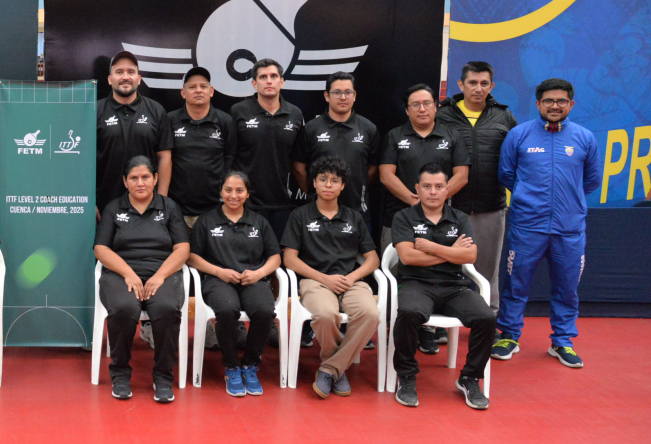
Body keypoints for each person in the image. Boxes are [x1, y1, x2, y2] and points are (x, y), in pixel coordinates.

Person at [493, 78, 601, 368]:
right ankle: (509, 336)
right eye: (549, 101)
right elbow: (506, 175)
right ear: (538, 103)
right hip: (527, 226)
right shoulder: (518, 135)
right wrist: (530, 197)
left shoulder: (585, 138)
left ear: (571, 105)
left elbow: (590, 180)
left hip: (570, 229)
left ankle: (563, 341)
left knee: (567, 288)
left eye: (562, 101)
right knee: (516, 285)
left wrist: (568, 201)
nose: (555, 106)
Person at [391, 163, 494, 410]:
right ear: (417, 188)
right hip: (416, 283)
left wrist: (432, 247)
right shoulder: (403, 217)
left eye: (439, 187)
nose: (433, 192)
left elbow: (470, 257)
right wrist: (451, 252)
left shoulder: (459, 218)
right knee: (408, 313)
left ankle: (469, 378)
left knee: (486, 318)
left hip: (453, 286)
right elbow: (408, 258)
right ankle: (406, 377)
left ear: (448, 189)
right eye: (427, 186)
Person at [379, 84, 471, 354]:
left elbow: (461, 175)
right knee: (397, 273)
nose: (422, 108)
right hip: (399, 217)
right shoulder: (395, 136)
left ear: (435, 106)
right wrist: (416, 203)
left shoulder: (451, 135)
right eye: (415, 104)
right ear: (407, 110)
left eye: (427, 103)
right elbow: (386, 175)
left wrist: (435, 201)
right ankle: (396, 327)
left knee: (436, 271)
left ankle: (429, 330)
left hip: (442, 220)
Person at [281, 156, 379, 399]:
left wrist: (353, 276)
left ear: (343, 186)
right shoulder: (300, 216)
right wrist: (325, 279)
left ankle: (330, 368)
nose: (328, 185)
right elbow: (290, 259)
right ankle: (338, 368)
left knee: (371, 314)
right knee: (326, 314)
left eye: (335, 181)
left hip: (350, 281)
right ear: (313, 183)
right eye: (323, 179)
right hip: (315, 280)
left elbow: (373, 259)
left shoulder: (353, 216)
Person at [94, 156, 189, 403]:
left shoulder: (169, 207)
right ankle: (121, 374)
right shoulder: (114, 208)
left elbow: (182, 249)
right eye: (134, 178)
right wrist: (128, 273)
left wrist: (159, 276)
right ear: (125, 181)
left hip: (162, 272)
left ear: (155, 179)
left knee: (168, 308)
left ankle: (163, 376)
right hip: (121, 272)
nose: (140, 183)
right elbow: (101, 249)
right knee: (124, 308)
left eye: (146, 177)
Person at [188, 171, 281, 397]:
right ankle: (231, 366)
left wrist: (259, 274)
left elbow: (276, 257)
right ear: (221, 192)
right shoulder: (207, 221)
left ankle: (250, 365)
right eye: (228, 190)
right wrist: (219, 271)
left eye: (239, 190)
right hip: (218, 280)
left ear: (247, 193)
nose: (233, 195)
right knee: (226, 309)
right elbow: (192, 257)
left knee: (264, 310)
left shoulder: (259, 222)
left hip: (253, 279)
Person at [436, 61, 517, 317]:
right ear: (461, 85)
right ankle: (442, 323)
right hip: (449, 208)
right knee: (444, 268)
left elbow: (517, 159)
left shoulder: (504, 116)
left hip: (490, 207)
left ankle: (489, 320)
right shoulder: (443, 115)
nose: (478, 88)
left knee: (487, 271)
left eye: (484, 83)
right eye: (472, 82)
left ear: (492, 86)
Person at [230, 58, 304, 240]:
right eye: (263, 77)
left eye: (273, 76)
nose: (269, 81)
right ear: (254, 84)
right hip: (245, 202)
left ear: (282, 81)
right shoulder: (238, 111)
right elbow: (228, 156)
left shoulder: (295, 114)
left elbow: (299, 161)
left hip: (282, 203)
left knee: (279, 258)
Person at [293, 72, 380, 220]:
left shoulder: (368, 128)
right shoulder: (311, 128)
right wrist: (315, 190)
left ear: (355, 96)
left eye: (348, 92)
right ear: (327, 96)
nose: (343, 97)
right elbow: (298, 167)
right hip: (317, 213)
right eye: (337, 93)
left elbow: (373, 168)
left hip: (357, 212)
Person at [96, 51, 173, 214]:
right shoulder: (95, 111)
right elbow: (83, 161)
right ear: (110, 80)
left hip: (148, 206)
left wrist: (162, 200)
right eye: (119, 72)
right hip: (104, 205)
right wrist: (90, 202)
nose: (125, 77)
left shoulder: (156, 110)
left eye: (131, 72)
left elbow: (164, 157)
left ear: (138, 79)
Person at [164, 66, 236, 228]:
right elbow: (163, 159)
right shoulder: (170, 120)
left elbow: (230, 158)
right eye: (192, 87)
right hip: (177, 210)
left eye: (203, 87)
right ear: (183, 93)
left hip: (214, 210)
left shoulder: (225, 121)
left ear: (211, 91)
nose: (198, 91)